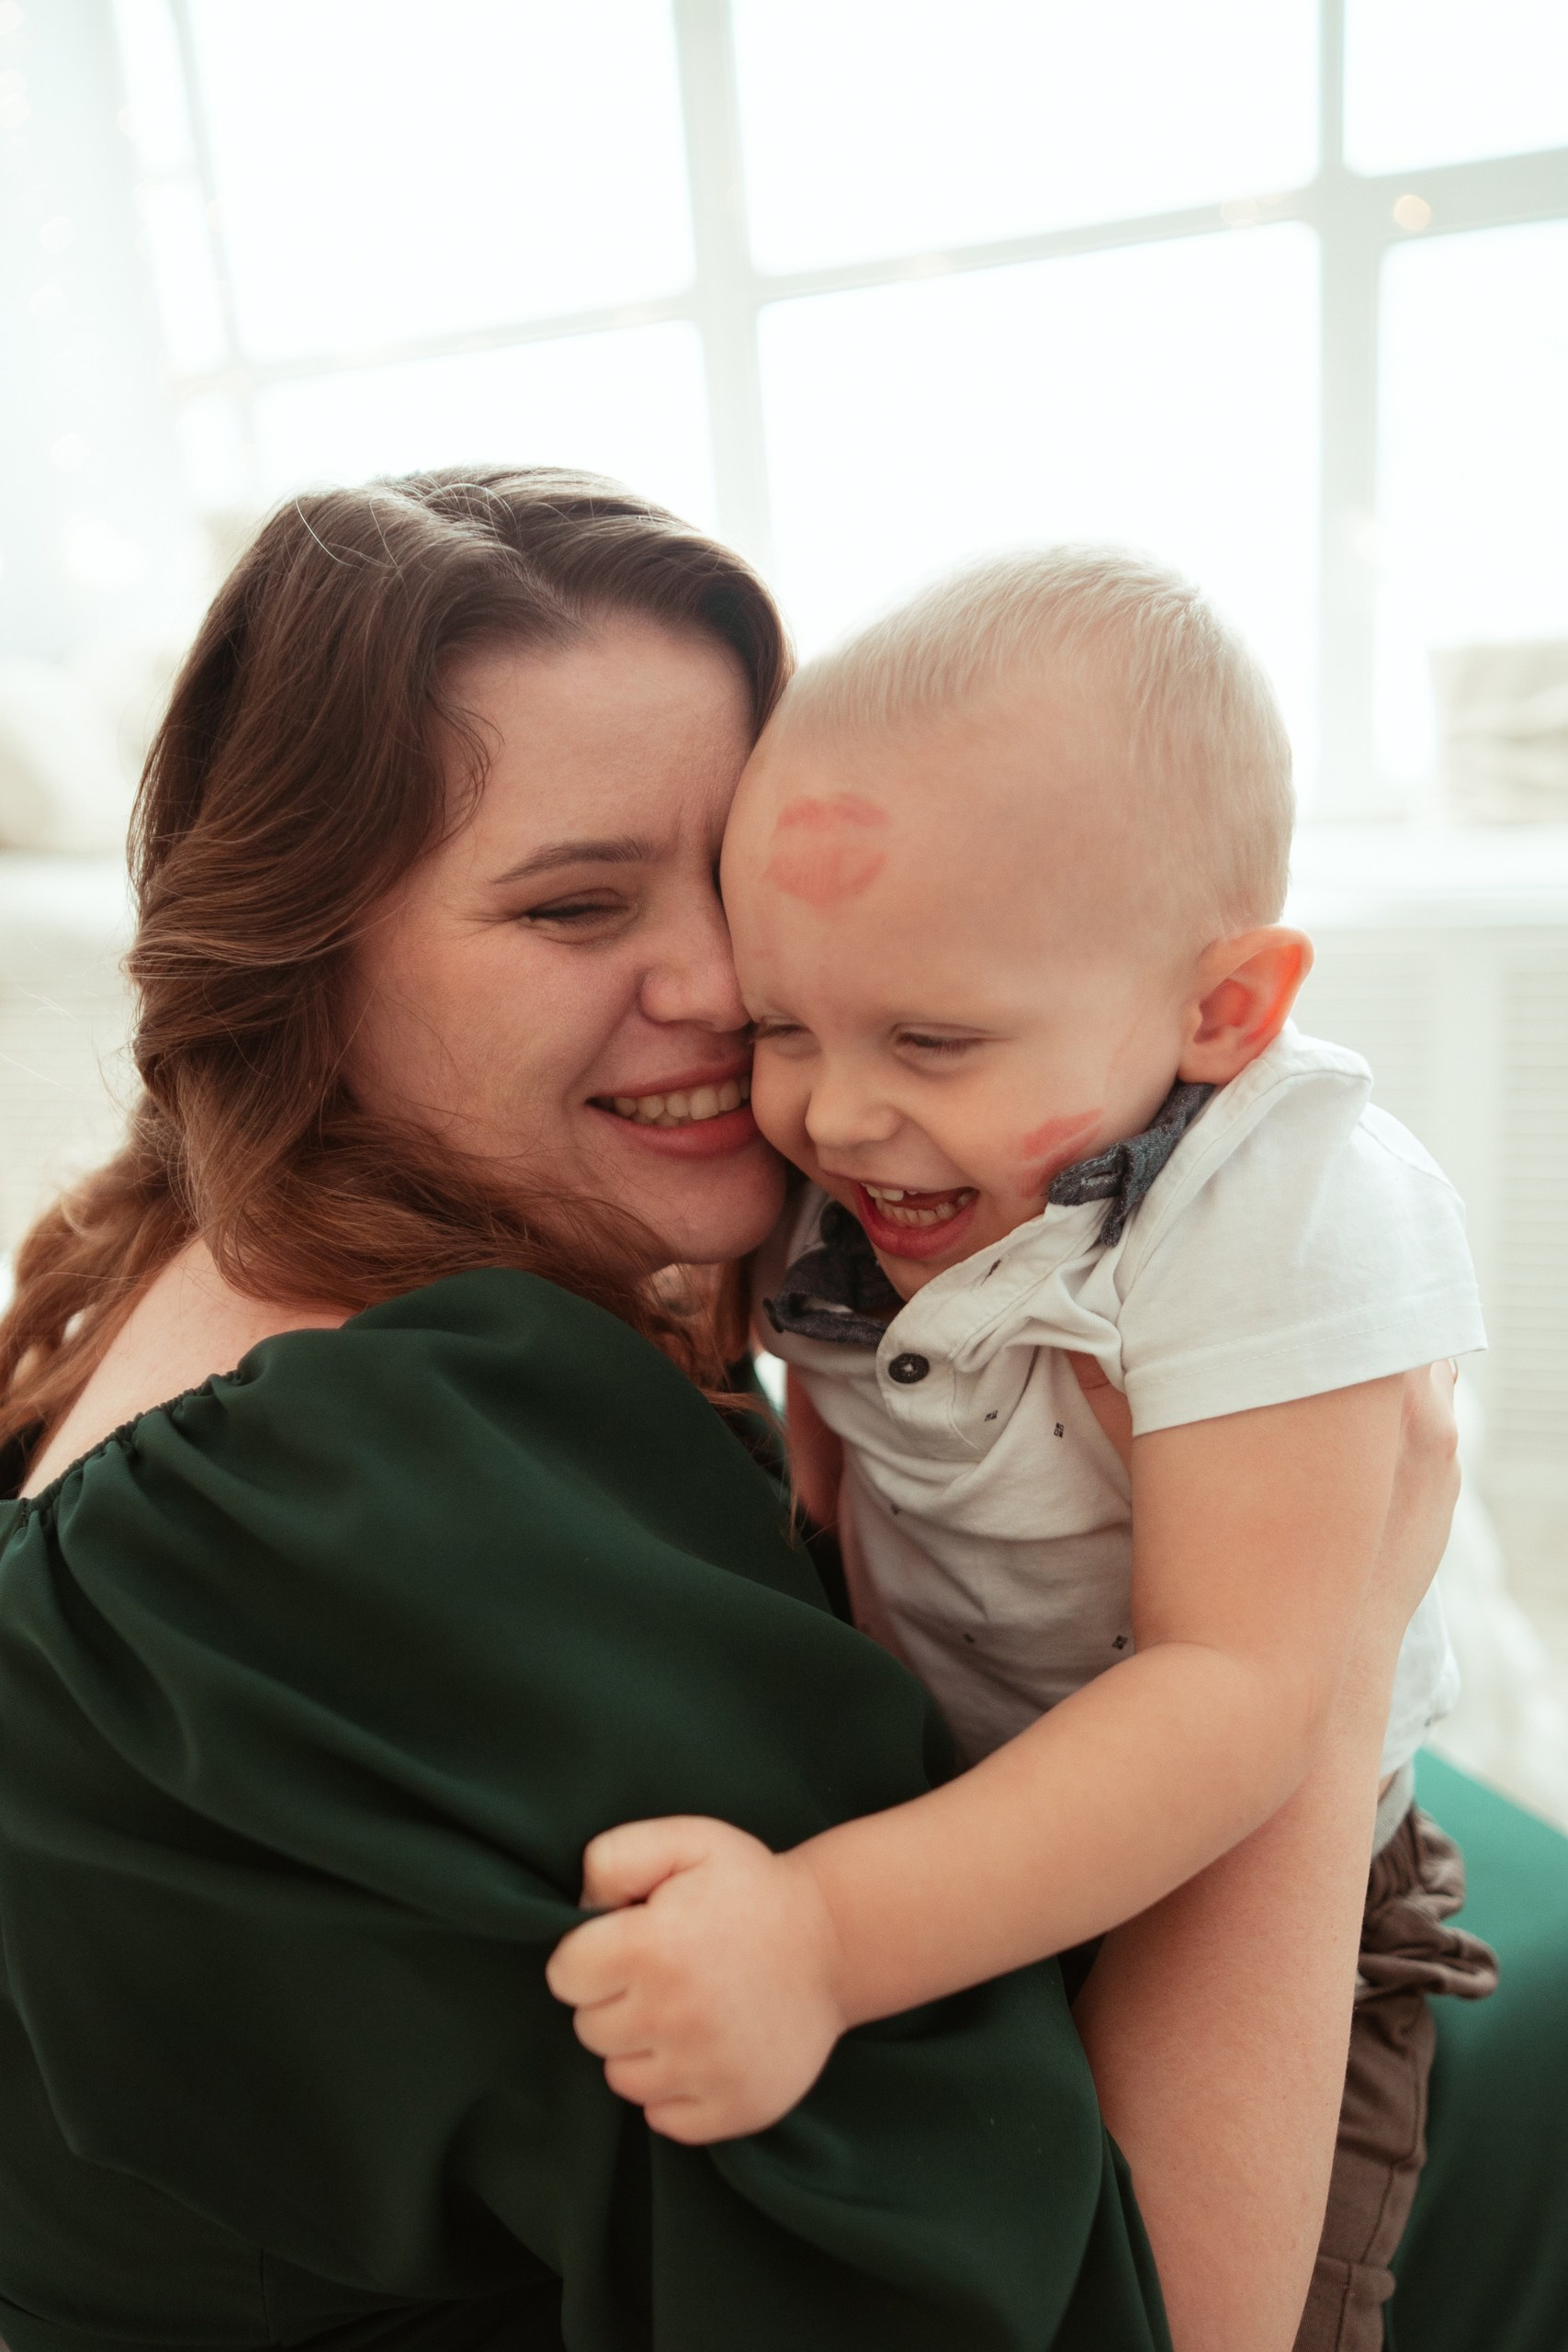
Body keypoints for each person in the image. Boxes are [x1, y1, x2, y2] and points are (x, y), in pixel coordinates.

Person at [0, 472, 1456, 2352]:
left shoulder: (191, 1283)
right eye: (578, 900)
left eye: (734, 874)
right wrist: (1332, 1616)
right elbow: (1151, 2312)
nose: (730, 985)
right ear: (303, 956)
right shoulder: (394, 1470)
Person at [547, 547, 1497, 2352]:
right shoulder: (877, 1167)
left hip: (1266, 1866)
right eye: (784, 1023)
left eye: (931, 1036)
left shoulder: (1279, 1208)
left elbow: (1232, 1696)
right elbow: (838, 1437)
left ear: (1221, 1011)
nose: (830, 1109)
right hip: (973, 1810)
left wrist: (825, 1934)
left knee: (1221, 2310)